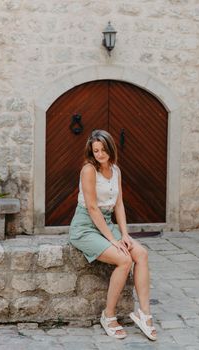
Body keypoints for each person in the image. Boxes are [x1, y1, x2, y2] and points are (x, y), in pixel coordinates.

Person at [69, 129, 157, 341]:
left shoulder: (115, 170)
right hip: (85, 226)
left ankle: (144, 314)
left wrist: (124, 234)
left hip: (107, 222)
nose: (99, 154)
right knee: (124, 259)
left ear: (110, 148)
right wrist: (112, 239)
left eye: (103, 149)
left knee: (141, 254)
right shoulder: (89, 170)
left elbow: (118, 204)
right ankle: (108, 316)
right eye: (95, 150)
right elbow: (91, 207)